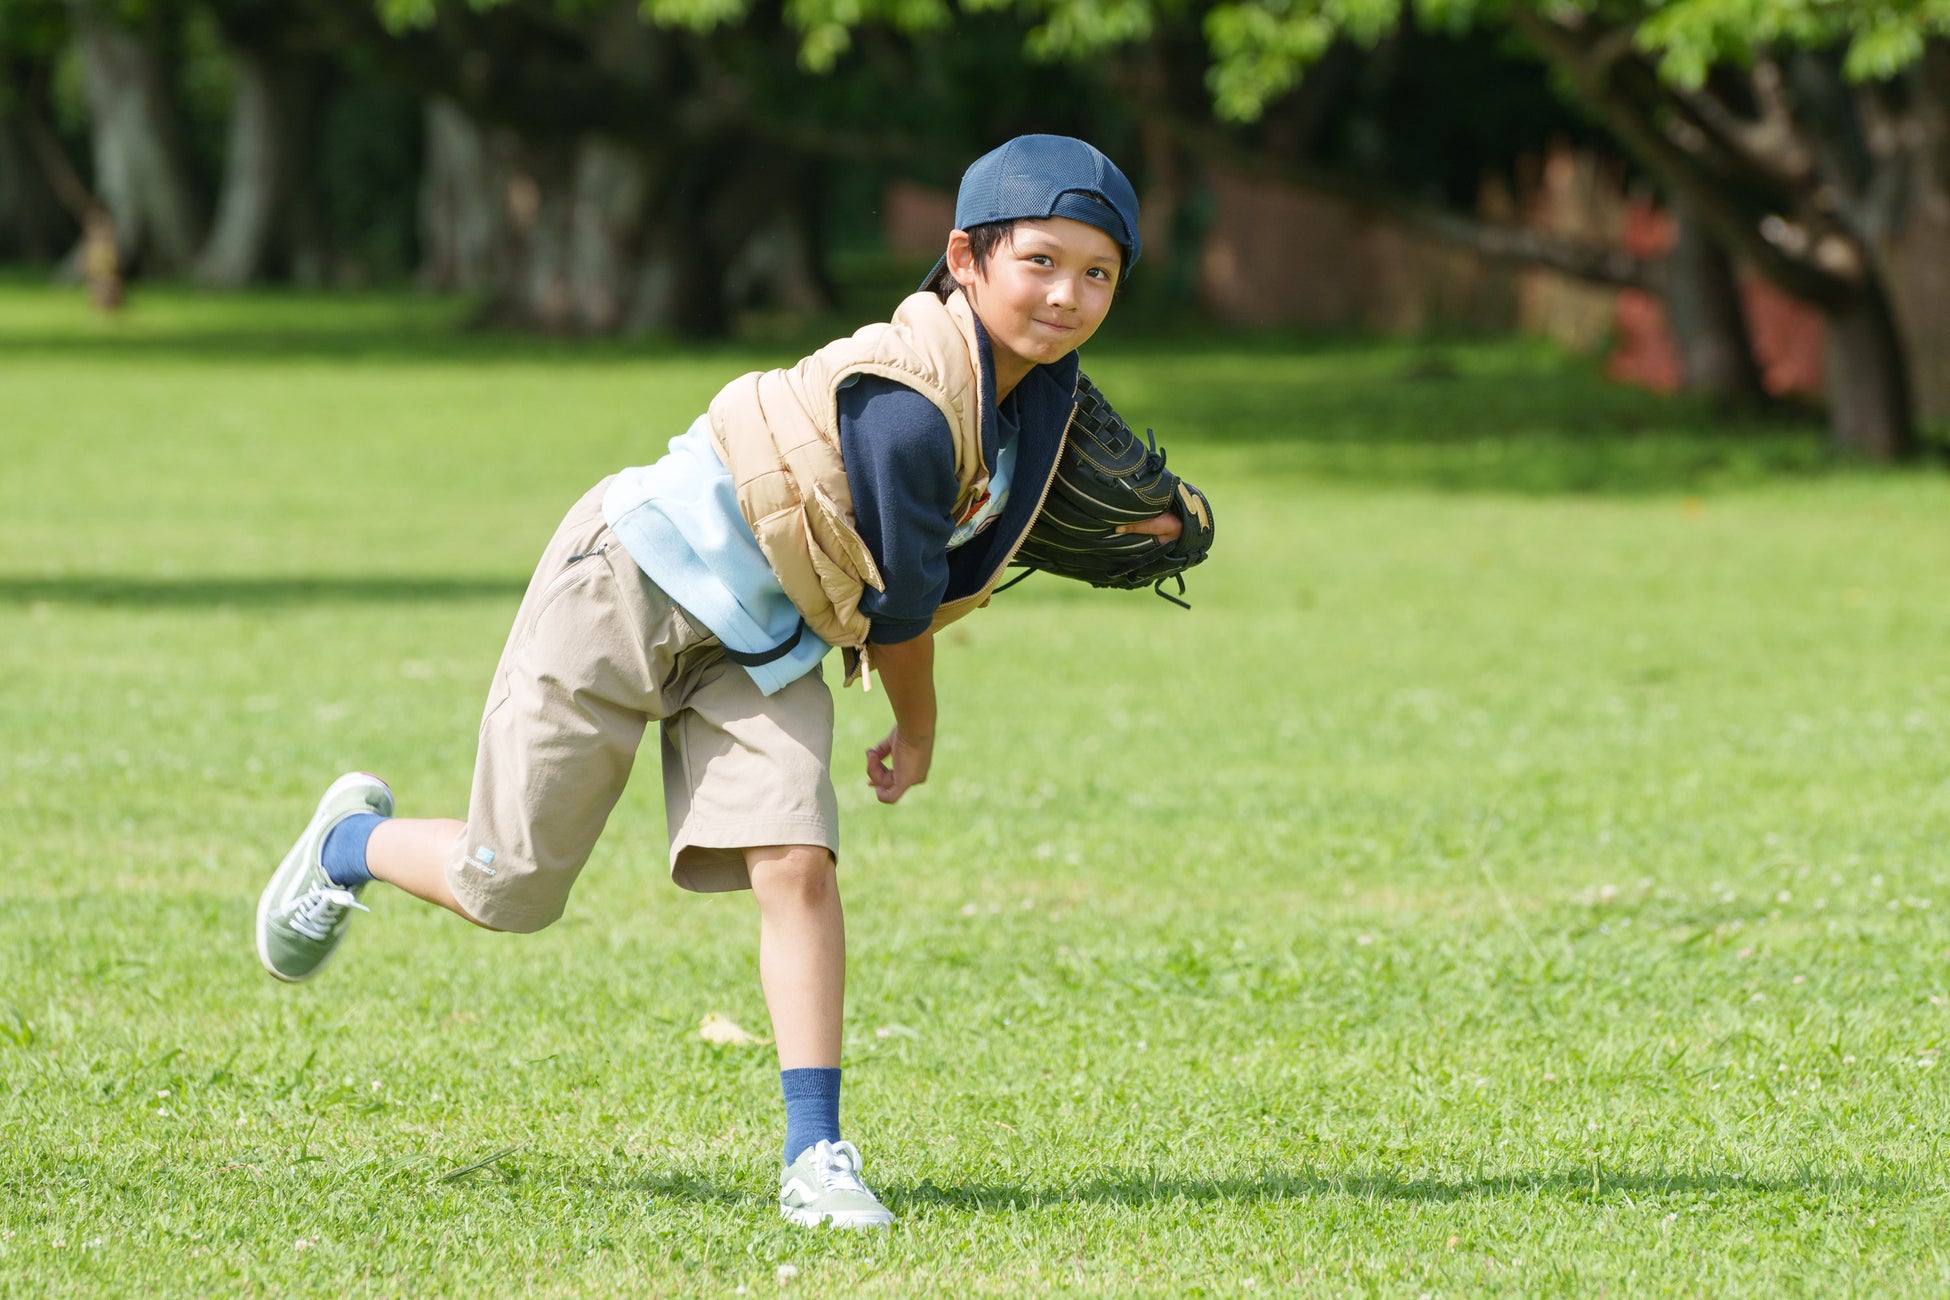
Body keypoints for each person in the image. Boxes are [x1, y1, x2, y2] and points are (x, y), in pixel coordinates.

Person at [254, 134, 1182, 1229]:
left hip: (764, 634)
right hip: (633, 579)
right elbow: (897, 611)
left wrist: (1151, 520)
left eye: (1098, 272)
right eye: (1039, 260)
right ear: (964, 260)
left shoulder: (1039, 395)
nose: (1067, 295)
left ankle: (816, 1154)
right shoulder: (911, 406)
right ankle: (345, 847)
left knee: (796, 859)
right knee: (506, 890)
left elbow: (981, 524)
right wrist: (919, 731)